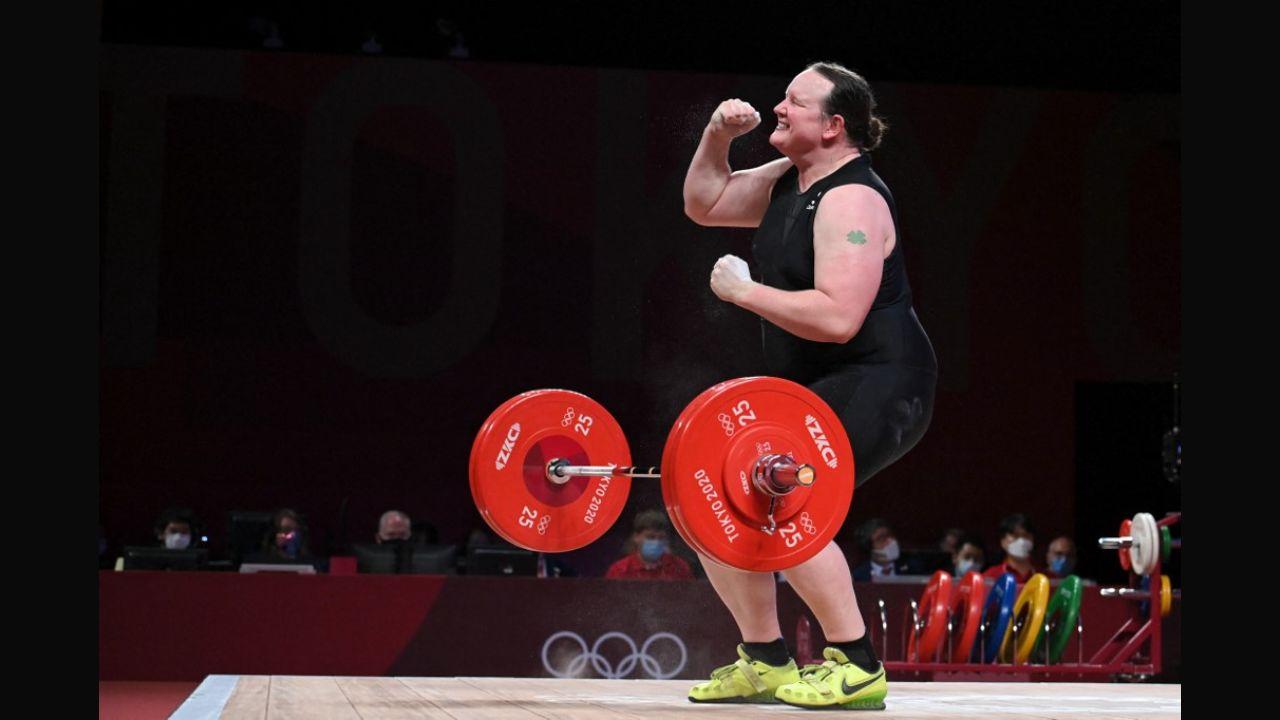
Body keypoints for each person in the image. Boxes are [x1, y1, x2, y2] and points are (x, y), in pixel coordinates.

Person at [682, 61, 937, 710]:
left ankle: (855, 664)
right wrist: (716, 136)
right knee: (705, 477)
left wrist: (746, 293)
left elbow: (837, 316)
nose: (779, 108)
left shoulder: (853, 198)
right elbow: (705, 204)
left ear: (833, 126)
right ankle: (765, 658)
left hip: (882, 378)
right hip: (813, 383)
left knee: (780, 486)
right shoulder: (788, 182)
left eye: (795, 102)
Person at [605, 510, 694, 581]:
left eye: (661, 538)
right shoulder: (620, 570)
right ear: (636, 537)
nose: (656, 542)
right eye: (650, 537)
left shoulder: (679, 568)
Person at [982, 513, 1040, 584]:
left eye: (1026, 536)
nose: (1021, 541)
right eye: (1015, 536)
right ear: (1003, 542)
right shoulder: (990, 576)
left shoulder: (1046, 577)